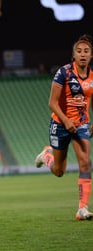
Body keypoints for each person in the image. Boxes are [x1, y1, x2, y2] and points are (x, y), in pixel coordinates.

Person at [35, 34, 93, 221]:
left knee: (85, 161)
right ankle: (46, 156)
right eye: (79, 51)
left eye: (86, 51)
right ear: (73, 55)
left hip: (81, 125)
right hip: (60, 125)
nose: (83, 54)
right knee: (59, 171)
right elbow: (52, 103)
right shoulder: (64, 73)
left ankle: (82, 209)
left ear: (91, 55)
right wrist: (66, 121)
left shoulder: (92, 77)